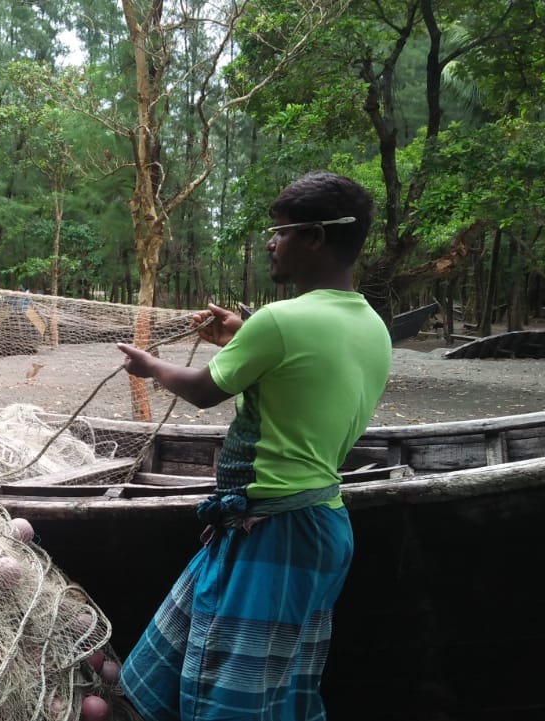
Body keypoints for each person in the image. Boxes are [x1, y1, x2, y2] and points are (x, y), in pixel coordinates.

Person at [115, 172, 391, 721]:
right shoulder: (371, 324)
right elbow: (302, 369)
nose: (271, 242)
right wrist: (241, 334)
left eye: (280, 232)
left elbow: (202, 390)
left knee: (232, 701)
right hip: (313, 527)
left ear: (315, 238)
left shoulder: (280, 321)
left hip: (275, 534)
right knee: (268, 687)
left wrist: (149, 366)